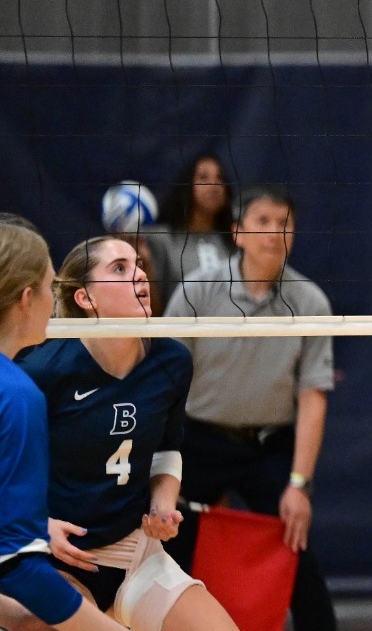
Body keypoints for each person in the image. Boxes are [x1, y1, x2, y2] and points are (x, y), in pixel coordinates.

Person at [0, 237, 238, 631]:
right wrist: (38, 525)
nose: (140, 275)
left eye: (139, 264)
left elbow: (167, 448)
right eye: (120, 268)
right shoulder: (43, 370)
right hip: (63, 556)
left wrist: (163, 503)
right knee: (40, 622)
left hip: (135, 552)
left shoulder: (172, 360)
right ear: (85, 298)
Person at [161, 187, 336, 631]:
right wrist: (163, 467)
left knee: (296, 545)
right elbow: (165, 383)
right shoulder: (197, 291)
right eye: (263, 221)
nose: (274, 232)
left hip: (267, 446)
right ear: (237, 232)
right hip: (199, 441)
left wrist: (299, 485)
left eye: (284, 223)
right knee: (166, 541)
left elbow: (313, 397)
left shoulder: (310, 301)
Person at [0, 219, 127, 631]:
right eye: (50, 288)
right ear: (26, 299)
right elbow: (17, 565)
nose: (55, 303)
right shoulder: (17, 395)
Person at [151, 157, 234, 317]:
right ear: (186, 185)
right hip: (176, 328)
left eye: (220, 178)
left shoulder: (235, 239)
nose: (214, 185)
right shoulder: (161, 239)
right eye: (203, 177)